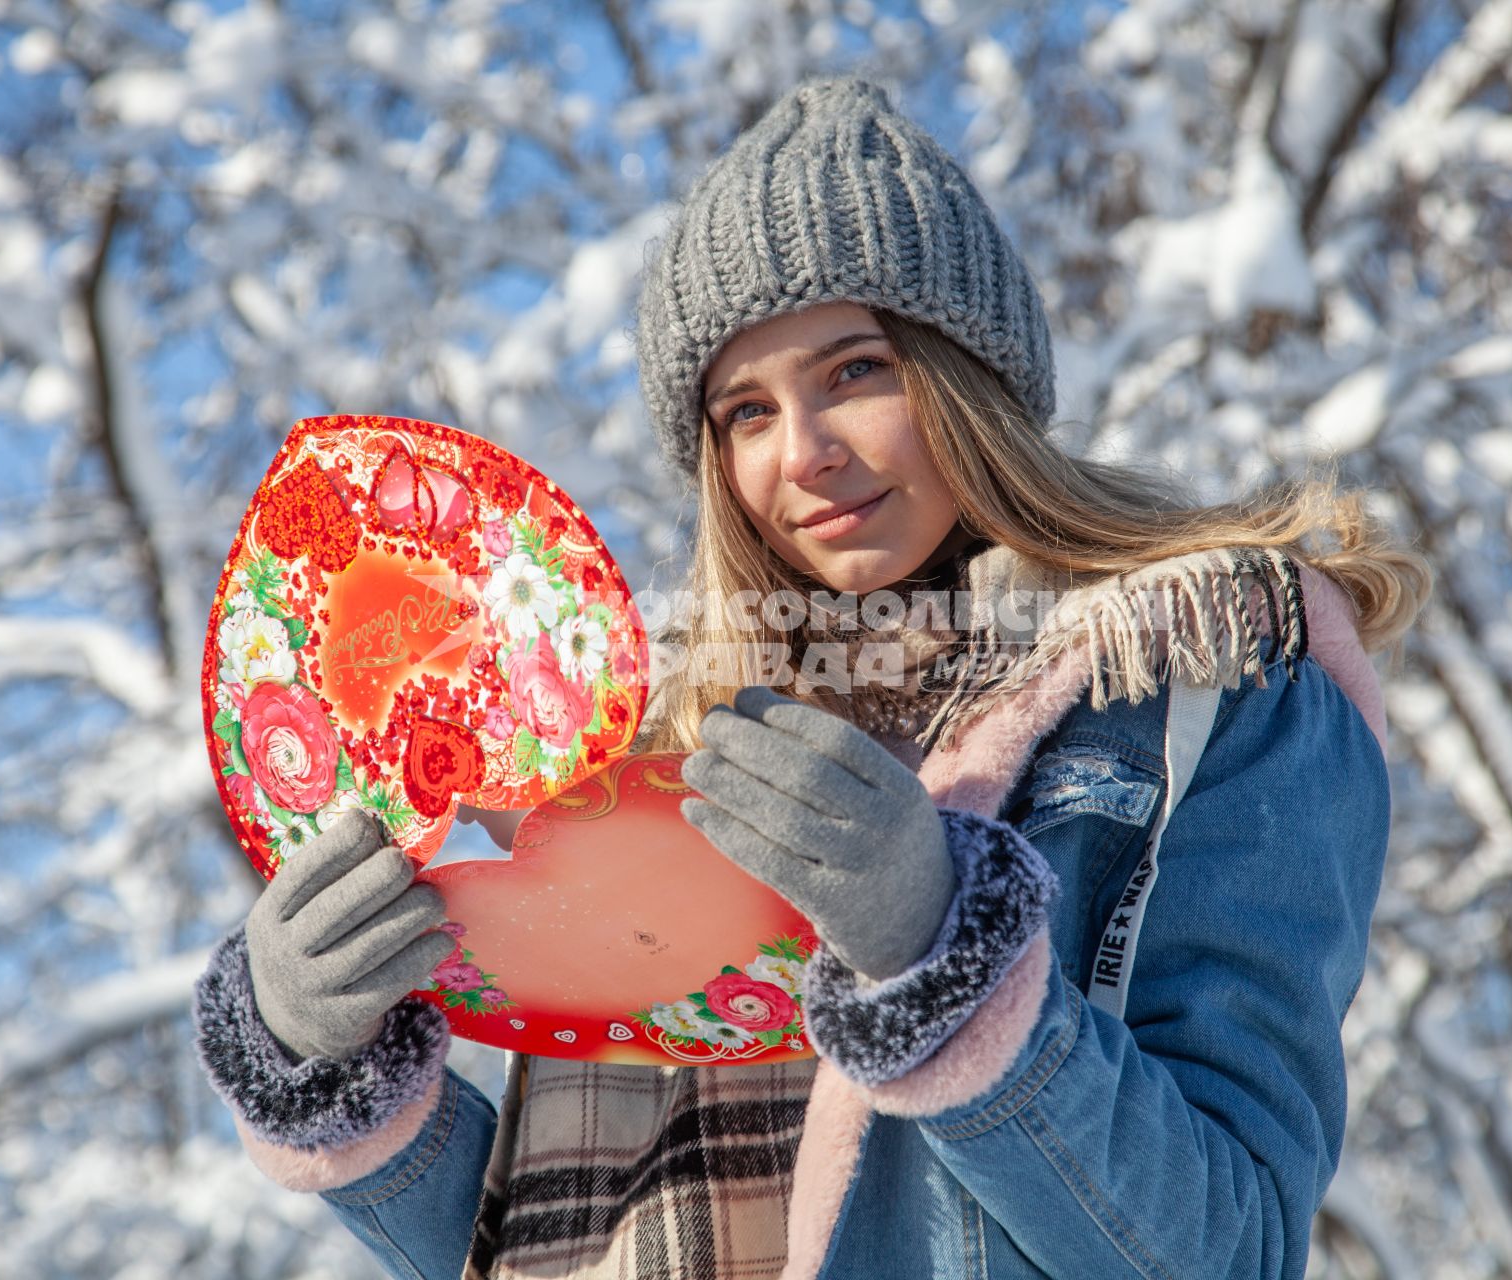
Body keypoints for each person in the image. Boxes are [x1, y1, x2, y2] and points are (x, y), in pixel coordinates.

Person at [191, 76, 1430, 1280]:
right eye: (745, 411)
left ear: (969, 379)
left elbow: (1228, 1242)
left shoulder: (1205, 673)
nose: (808, 453)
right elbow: (556, 1232)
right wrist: (325, 1061)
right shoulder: (658, 768)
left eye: (856, 372)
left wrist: (938, 950)